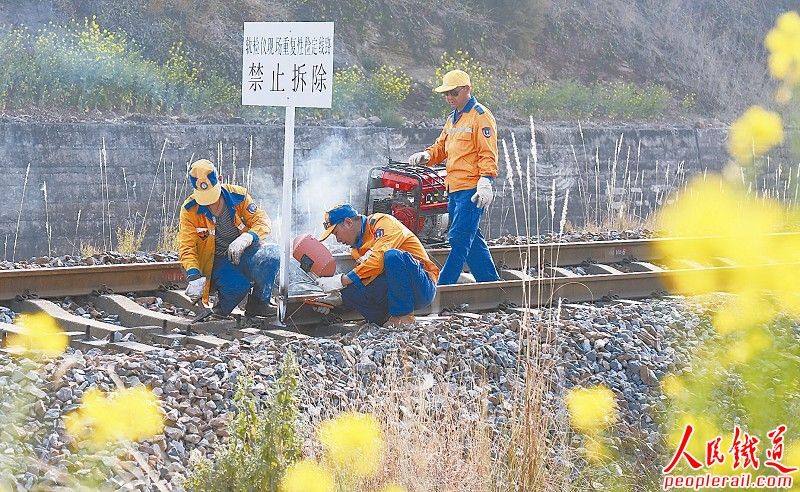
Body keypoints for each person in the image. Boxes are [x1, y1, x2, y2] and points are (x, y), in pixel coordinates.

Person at [407, 69, 501, 285]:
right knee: (471, 239)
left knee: (459, 239)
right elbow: (441, 147)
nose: (449, 97)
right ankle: (490, 283)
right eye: (446, 94)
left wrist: (486, 180)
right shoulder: (452, 119)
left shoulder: (481, 116)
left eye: (454, 93)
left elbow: (488, 152)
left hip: (471, 190)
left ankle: (442, 287)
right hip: (454, 189)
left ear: (467, 89)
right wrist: (427, 155)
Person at [178, 159, 280, 317]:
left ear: (220, 180)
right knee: (238, 286)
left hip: (245, 253)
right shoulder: (189, 210)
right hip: (217, 261)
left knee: (272, 255)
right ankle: (221, 309)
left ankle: (259, 304)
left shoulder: (238, 196)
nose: (210, 202)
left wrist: (247, 237)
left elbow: (262, 221)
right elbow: (187, 247)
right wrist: (194, 275)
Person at [315, 203, 439, 327]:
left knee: (392, 256)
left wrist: (342, 280)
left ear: (348, 222)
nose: (338, 240)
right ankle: (383, 321)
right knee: (351, 289)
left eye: (336, 233)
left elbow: (379, 258)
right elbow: (366, 277)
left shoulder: (382, 222)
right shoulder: (356, 248)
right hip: (393, 291)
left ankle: (403, 317)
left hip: (422, 287)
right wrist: (338, 298)